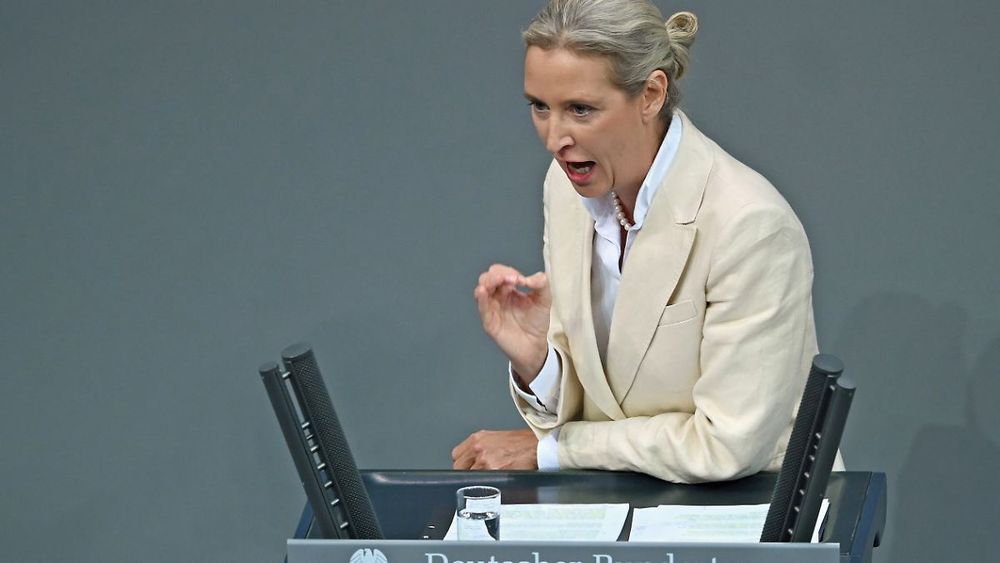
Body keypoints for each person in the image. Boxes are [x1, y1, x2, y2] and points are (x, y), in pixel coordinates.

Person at [452, 0, 832, 483]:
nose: (554, 138)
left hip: (753, 513)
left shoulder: (751, 225)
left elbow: (726, 445)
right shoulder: (564, 189)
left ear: (651, 94)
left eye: (580, 109)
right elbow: (609, 403)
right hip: (619, 506)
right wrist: (539, 362)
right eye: (540, 107)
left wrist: (554, 451)